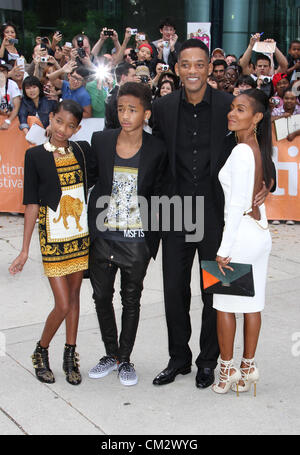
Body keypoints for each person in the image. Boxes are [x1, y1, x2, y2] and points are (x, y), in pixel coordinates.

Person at [151, 39, 274, 389]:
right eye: (185, 64)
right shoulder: (161, 107)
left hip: (217, 217)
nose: (192, 70)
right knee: (174, 289)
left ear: (209, 66)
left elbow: (256, 142)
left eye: (199, 64)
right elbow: (157, 158)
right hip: (174, 213)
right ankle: (179, 359)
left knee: (217, 294)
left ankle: (211, 361)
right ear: (176, 68)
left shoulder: (228, 106)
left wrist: (270, 181)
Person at [87, 82, 167, 386]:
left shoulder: (158, 148)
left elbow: (161, 191)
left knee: (131, 299)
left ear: (145, 113)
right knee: (101, 297)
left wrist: (152, 239)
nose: (125, 115)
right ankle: (111, 354)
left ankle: (126, 358)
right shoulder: (101, 140)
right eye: (121, 109)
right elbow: (90, 179)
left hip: (136, 241)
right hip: (104, 237)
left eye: (132, 110)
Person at [9, 99, 90, 386]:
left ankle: (70, 354)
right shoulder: (35, 157)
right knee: (64, 303)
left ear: (77, 128)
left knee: (75, 296)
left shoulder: (81, 150)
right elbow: (31, 203)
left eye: (70, 126)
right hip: (52, 236)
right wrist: (23, 250)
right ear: (51, 118)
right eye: (59, 122)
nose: (63, 130)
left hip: (79, 233)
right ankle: (41, 350)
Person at [212, 89, 273, 395]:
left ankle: (226, 374)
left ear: (257, 117)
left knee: (223, 306)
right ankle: (248, 367)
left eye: (240, 110)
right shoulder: (256, 147)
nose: (232, 114)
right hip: (259, 234)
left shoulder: (240, 151)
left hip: (240, 237)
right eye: (232, 108)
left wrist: (224, 250)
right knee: (252, 305)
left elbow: (236, 205)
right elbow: (256, 193)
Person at [104, 62, 136, 129]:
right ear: (123, 77)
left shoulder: (116, 94)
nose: (135, 79)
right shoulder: (116, 96)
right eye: (133, 76)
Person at [0, 59, 21, 131]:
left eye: (3, 71)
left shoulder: (12, 84)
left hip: (12, 118)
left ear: (7, 73)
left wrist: (8, 121)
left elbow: (17, 106)